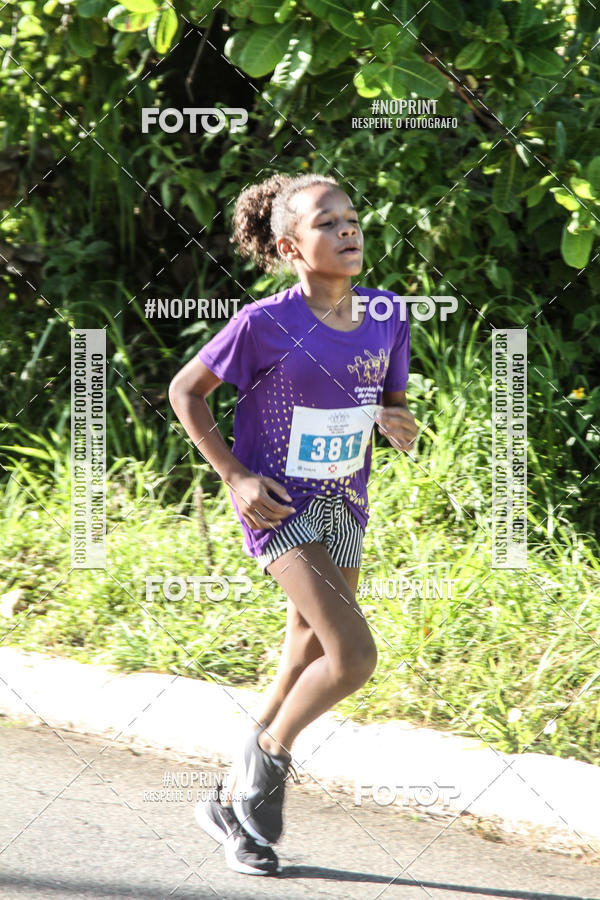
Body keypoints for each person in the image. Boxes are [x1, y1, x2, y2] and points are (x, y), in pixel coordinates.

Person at [168, 172, 417, 876]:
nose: (347, 228)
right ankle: (269, 759)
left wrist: (394, 422)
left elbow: (388, 401)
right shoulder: (264, 324)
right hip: (280, 508)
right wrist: (235, 475)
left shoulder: (388, 313)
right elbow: (186, 391)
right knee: (353, 658)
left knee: (304, 659)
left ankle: (226, 807)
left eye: (352, 217)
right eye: (326, 221)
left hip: (346, 506)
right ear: (290, 245)